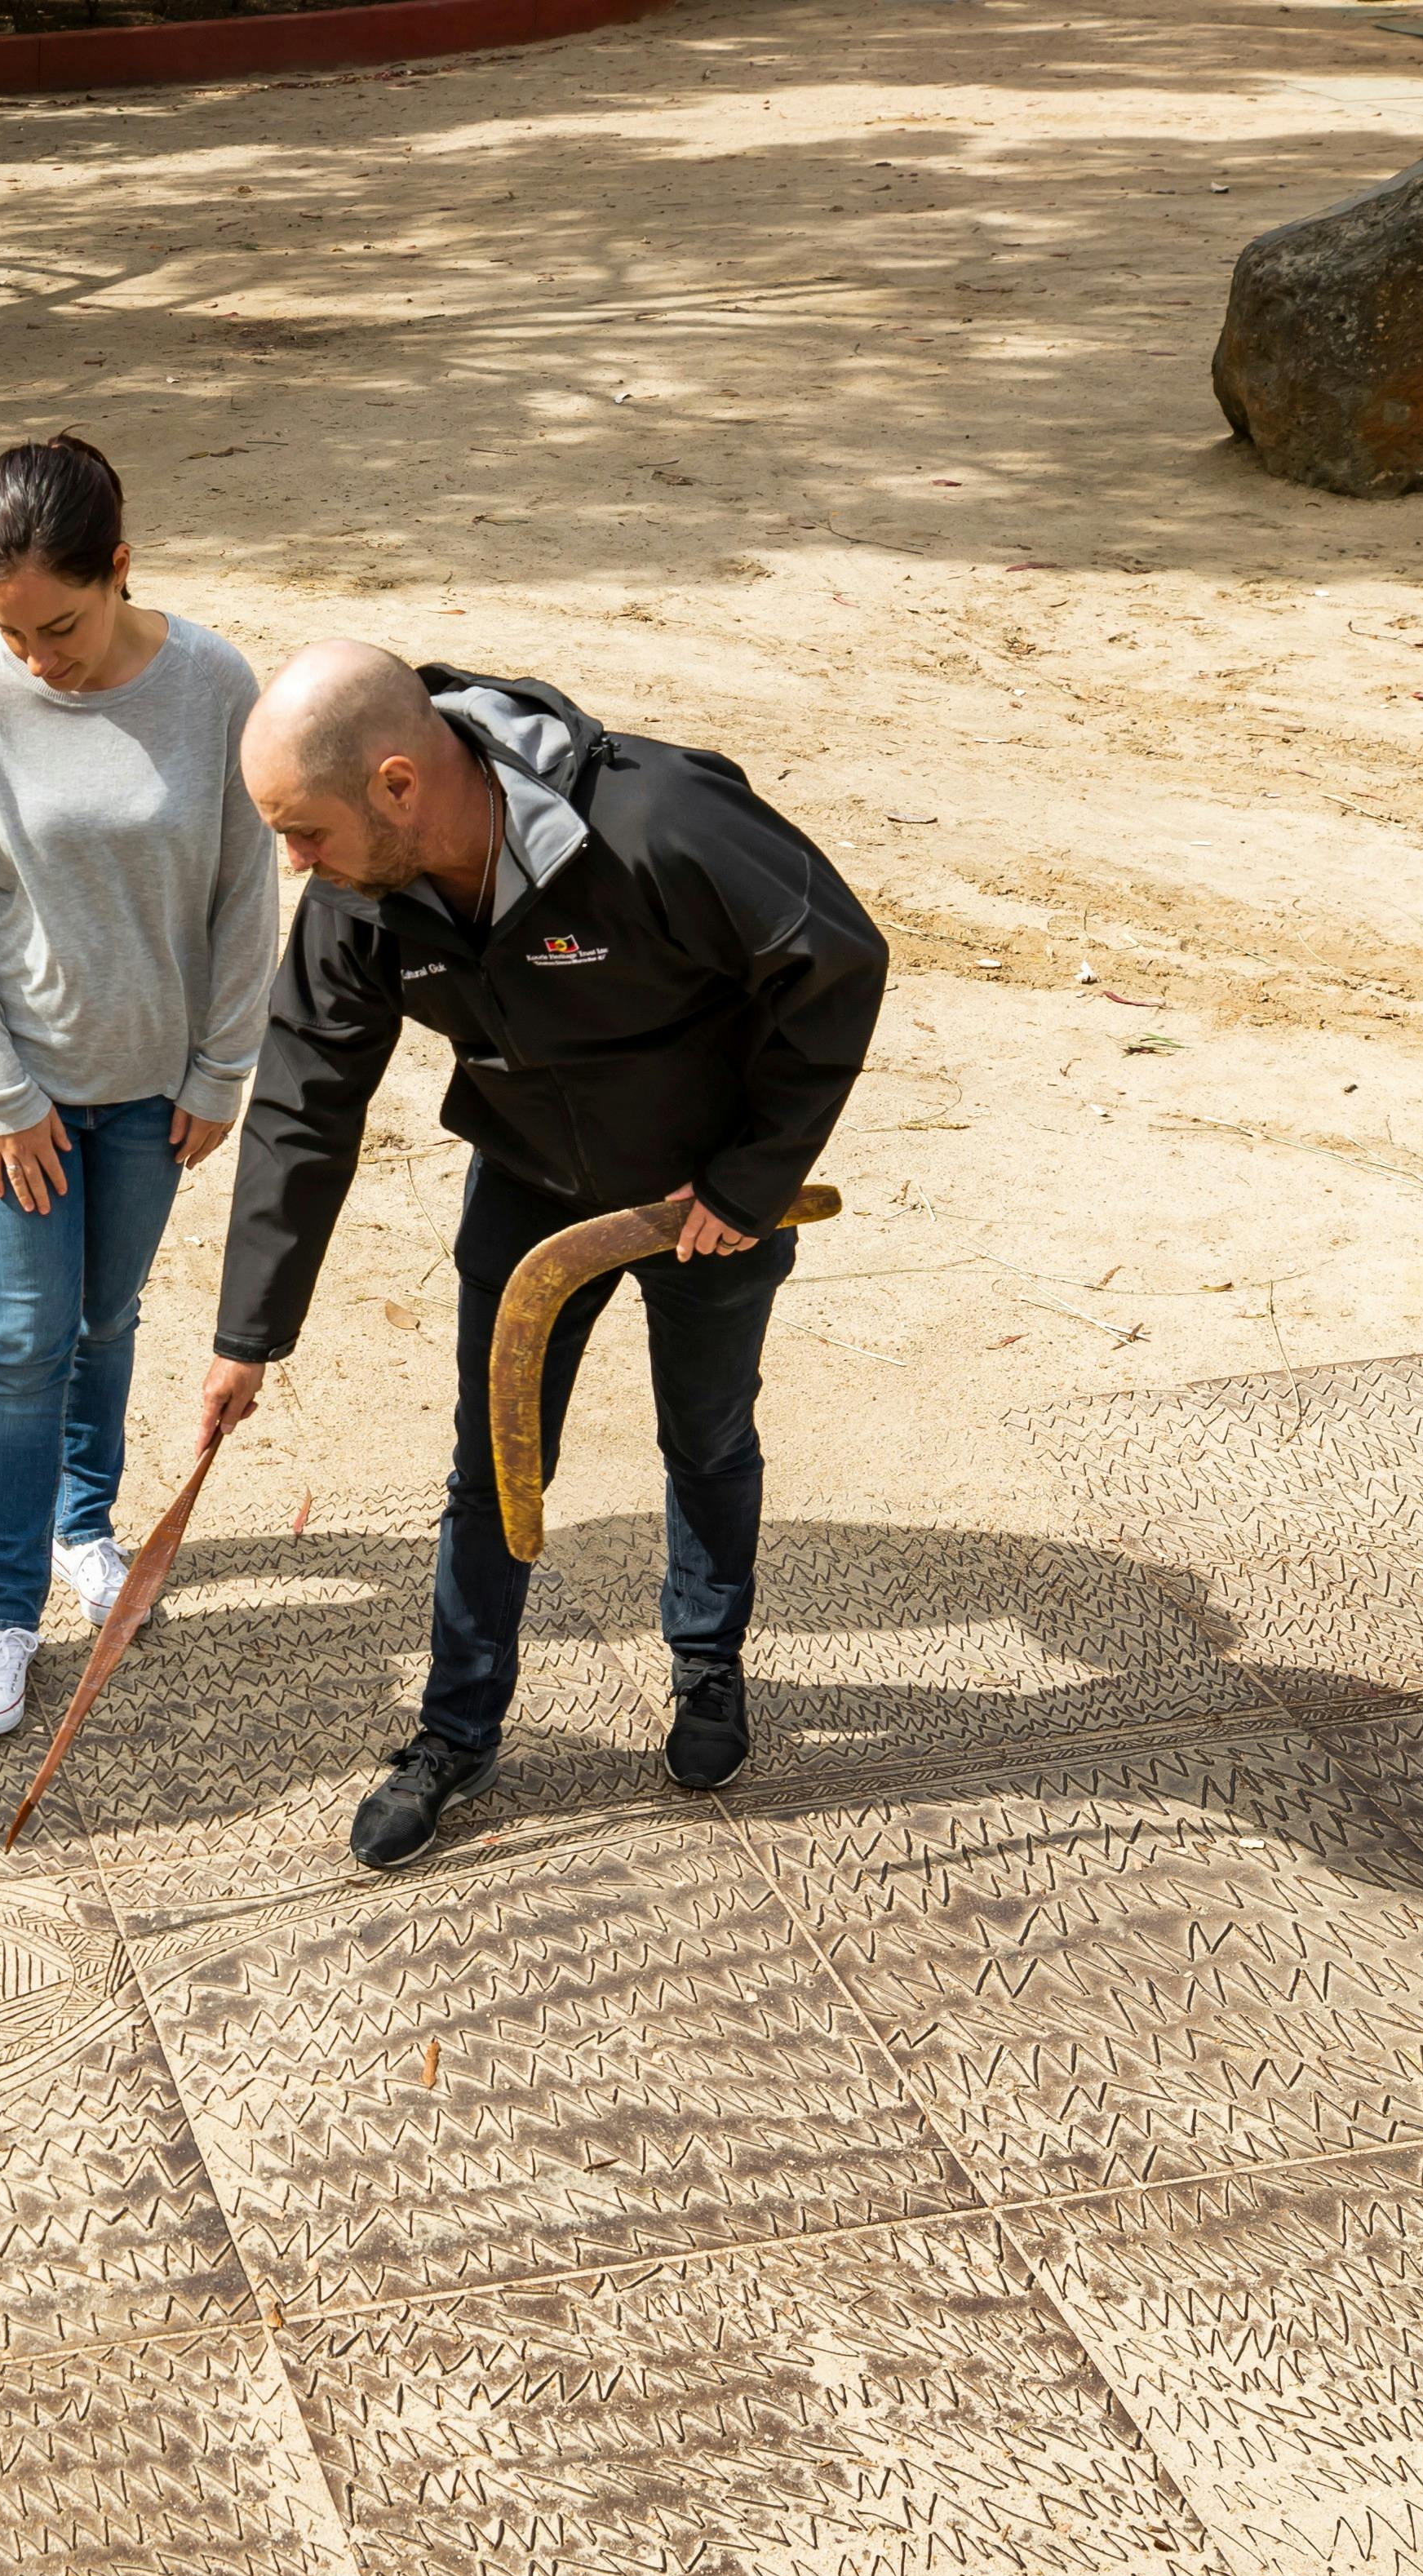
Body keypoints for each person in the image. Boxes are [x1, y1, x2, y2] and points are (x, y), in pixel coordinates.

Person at [193, 641, 884, 1870]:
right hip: (528, 1195)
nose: (294, 864)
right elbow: (306, 1099)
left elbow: (835, 958)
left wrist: (753, 1176)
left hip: (705, 1200)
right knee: (494, 1462)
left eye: (303, 832)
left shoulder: (658, 822)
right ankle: (457, 1734)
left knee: (708, 1435)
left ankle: (708, 1673)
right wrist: (251, 1334)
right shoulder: (361, 895)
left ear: (399, 784)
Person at [0, 436, 277, 1740]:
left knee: (105, 1320)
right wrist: (4, 1095)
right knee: (20, 1342)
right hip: (12, 1095)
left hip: (151, 1090)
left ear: (121, 569)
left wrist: (225, 1062)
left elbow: (247, 889)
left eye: (59, 627)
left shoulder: (216, 684)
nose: (37, 662)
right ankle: (8, 1610)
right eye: (10, 633)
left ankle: (83, 1523)